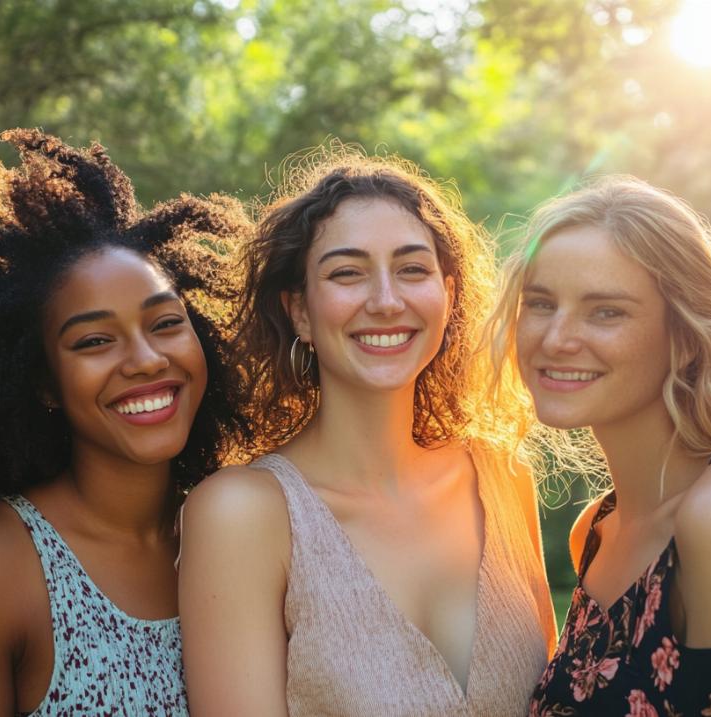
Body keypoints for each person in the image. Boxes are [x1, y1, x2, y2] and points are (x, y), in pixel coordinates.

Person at [179, 149, 556, 716]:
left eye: (412, 270)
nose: (385, 301)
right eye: (347, 273)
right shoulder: (242, 514)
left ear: (448, 296)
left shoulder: (502, 477)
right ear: (299, 311)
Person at [0, 130, 250, 716]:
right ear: (43, 383)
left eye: (166, 323)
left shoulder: (249, 534)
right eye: (94, 341)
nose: (146, 360)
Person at [493, 177, 711, 716]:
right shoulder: (595, 530)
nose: (555, 339)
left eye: (606, 311)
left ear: (685, 336)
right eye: (540, 303)